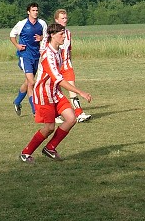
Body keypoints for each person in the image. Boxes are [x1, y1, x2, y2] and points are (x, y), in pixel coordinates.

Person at [19, 23, 92, 163]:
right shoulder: (48, 56)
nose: (64, 36)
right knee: (49, 127)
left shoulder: (57, 51)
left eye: (64, 33)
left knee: (71, 118)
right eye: (61, 34)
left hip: (55, 93)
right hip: (44, 95)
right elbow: (58, 80)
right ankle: (25, 153)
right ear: (52, 35)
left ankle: (50, 148)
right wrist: (80, 92)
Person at [44, 9, 91, 124]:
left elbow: (69, 49)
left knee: (71, 87)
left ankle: (79, 113)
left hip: (66, 64)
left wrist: (69, 60)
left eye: (66, 18)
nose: (65, 20)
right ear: (56, 20)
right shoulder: (50, 34)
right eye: (62, 18)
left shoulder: (68, 33)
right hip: (55, 66)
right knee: (55, 91)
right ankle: (55, 114)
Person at [9, 3, 48, 116]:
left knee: (28, 83)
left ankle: (17, 101)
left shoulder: (42, 23)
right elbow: (12, 34)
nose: (35, 12)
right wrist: (17, 45)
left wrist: (42, 38)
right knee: (32, 82)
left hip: (37, 56)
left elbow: (47, 38)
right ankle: (35, 111)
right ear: (28, 12)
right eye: (33, 10)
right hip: (25, 56)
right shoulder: (22, 24)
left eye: (37, 10)